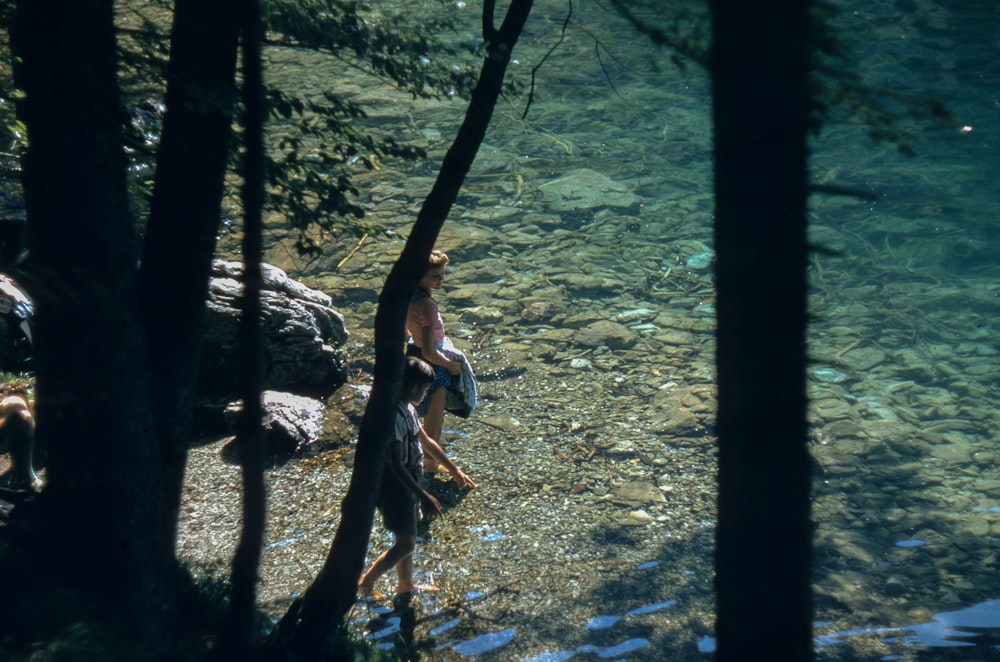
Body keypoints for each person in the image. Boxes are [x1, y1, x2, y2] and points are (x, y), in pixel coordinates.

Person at [358, 357, 475, 607]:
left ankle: (405, 585)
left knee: (406, 537)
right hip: (395, 487)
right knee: (407, 542)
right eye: (424, 389)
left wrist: (453, 469)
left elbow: (427, 441)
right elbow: (397, 466)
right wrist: (424, 495)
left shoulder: (408, 409)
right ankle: (367, 582)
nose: (425, 394)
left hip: (409, 482)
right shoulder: (395, 418)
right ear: (413, 388)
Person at [405, 249, 471, 473]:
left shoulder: (409, 296)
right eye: (435, 276)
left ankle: (419, 455)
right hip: (432, 364)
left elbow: (407, 332)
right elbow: (430, 351)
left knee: (413, 411)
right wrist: (452, 366)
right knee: (434, 419)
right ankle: (431, 464)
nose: (441, 279)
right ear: (420, 276)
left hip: (412, 354)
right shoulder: (428, 306)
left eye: (442, 274)